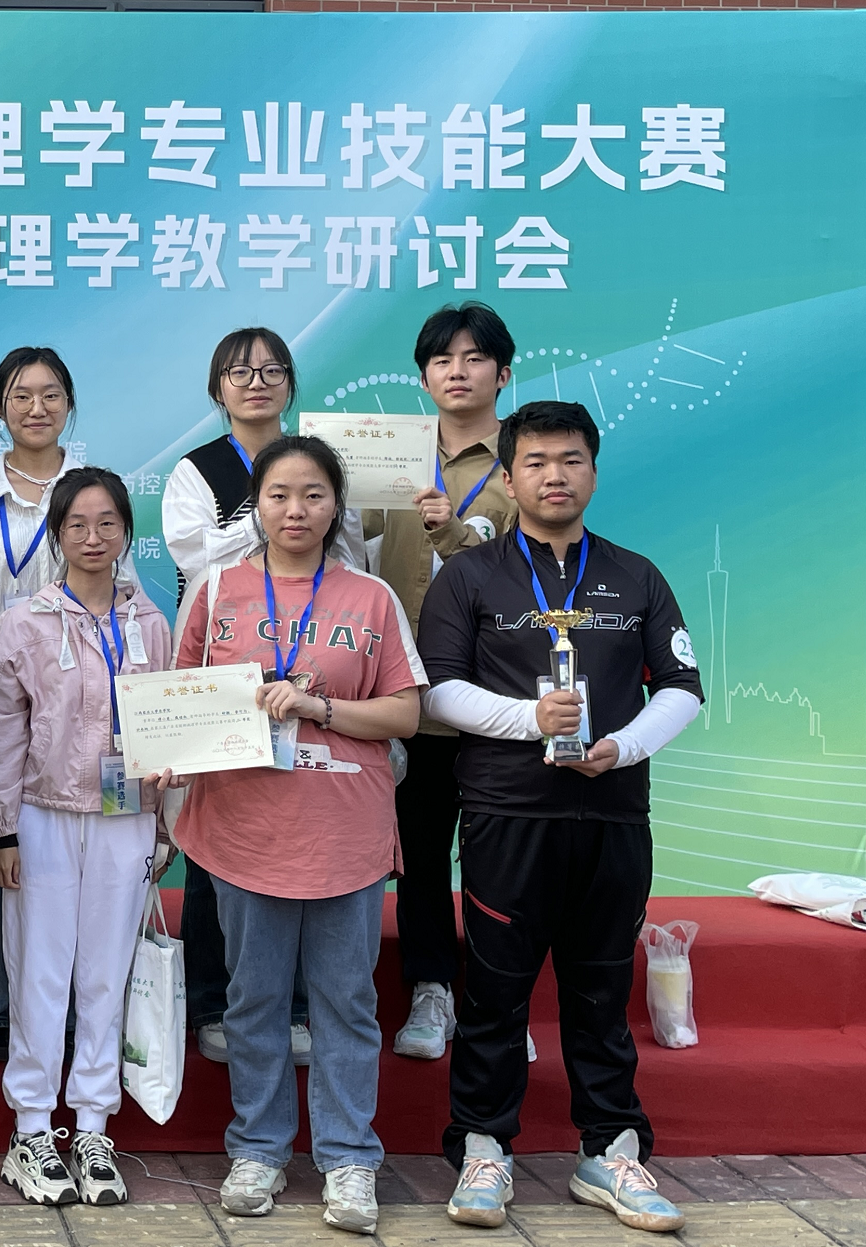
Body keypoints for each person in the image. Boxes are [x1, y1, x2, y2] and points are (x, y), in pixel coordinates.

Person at [420, 401, 702, 1233]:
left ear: (594, 473)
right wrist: (528, 719)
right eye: (536, 462)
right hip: (508, 814)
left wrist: (622, 745)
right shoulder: (469, 577)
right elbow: (437, 690)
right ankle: (483, 1148)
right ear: (508, 479)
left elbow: (683, 688)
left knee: (601, 991)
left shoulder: (636, 574)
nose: (554, 475)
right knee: (495, 993)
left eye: (571, 459)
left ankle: (610, 1150)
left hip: (613, 816)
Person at [173, 436, 424, 1236]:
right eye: (278, 494)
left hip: (345, 832)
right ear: (256, 504)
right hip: (244, 829)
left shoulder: (371, 597)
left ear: (335, 506)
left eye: (313, 494)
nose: (295, 510)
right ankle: (259, 1146)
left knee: (346, 1002)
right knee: (252, 1000)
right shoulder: (216, 591)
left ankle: (349, 1157)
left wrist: (319, 707)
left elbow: (405, 713)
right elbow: (179, 702)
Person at [160, 328, 365, 1068]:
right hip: (224, 666)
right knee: (217, 839)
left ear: (291, 383)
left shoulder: (321, 458)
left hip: (311, 674)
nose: (256, 382)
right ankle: (213, 1001)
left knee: (305, 847)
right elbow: (194, 554)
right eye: (240, 372)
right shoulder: (197, 468)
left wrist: (296, 507)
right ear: (217, 387)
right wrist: (271, 512)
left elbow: (351, 553)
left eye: (272, 370)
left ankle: (302, 1007)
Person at [0, 467, 175, 1208]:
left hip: (127, 819)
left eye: (107, 523)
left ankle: (92, 1126)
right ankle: (31, 1128)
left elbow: (169, 730)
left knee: (105, 973)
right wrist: (0, 831)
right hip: (43, 816)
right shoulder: (24, 623)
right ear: (56, 534)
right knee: (39, 970)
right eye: (76, 525)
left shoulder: (151, 622)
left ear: (126, 532)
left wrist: (164, 822)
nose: (93, 538)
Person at [370, 304, 519, 1062]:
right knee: (421, 855)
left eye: (473, 357)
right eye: (440, 360)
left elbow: (531, 564)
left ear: (504, 371)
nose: (456, 372)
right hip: (407, 693)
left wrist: (456, 534)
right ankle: (432, 989)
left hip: (497, 694)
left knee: (501, 861)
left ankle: (500, 1002)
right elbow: (340, 535)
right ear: (423, 376)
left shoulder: (526, 457)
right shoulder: (390, 454)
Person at [0, 346, 95, 1063]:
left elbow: (114, 585)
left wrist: (54, 665)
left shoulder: (94, 488)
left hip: (77, 696)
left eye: (50, 394)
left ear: (69, 403)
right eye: (20, 395)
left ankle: (61, 1005)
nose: (36, 408)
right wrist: (15, 657)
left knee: (67, 856)